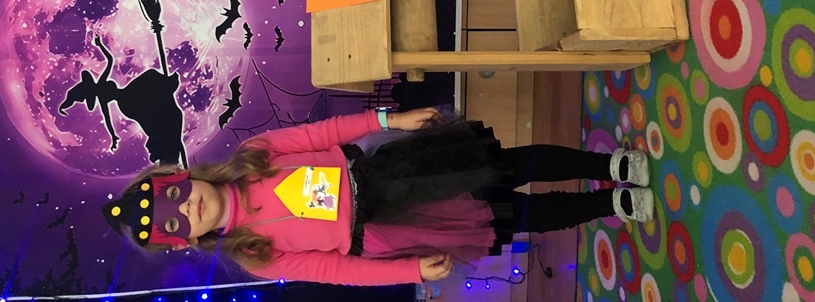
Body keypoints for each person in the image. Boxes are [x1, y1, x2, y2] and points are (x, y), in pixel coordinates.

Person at [102, 108, 653, 286]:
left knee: (507, 166)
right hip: (387, 229)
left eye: (175, 195)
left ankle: (608, 167)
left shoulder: (256, 153)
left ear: (182, 175)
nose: (186, 207)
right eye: (174, 222)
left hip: (394, 169)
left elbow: (325, 132)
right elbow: (338, 270)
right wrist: (411, 270)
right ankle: (610, 205)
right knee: (513, 216)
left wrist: (388, 120)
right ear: (183, 241)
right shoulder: (255, 255)